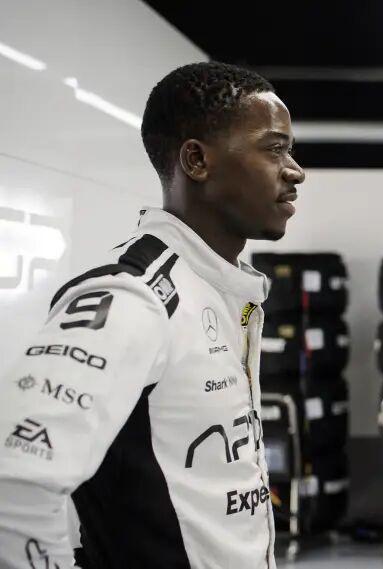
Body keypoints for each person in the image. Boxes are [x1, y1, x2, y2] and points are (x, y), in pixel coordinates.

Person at [0, 61, 305, 568]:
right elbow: (14, 478)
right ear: (197, 160)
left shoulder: (224, 292)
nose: (295, 170)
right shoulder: (135, 298)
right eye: (274, 149)